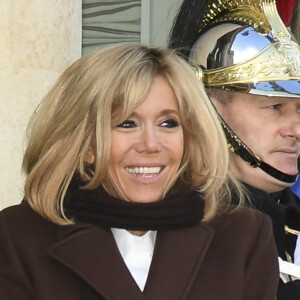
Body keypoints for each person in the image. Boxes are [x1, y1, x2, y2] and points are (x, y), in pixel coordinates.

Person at [0, 43, 278, 299]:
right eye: (127, 124)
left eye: (168, 123)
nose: (150, 144)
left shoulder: (243, 235)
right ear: (86, 144)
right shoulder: (18, 236)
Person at [169, 0, 300, 298]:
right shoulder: (172, 227)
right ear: (207, 111)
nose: (296, 130)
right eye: (275, 107)